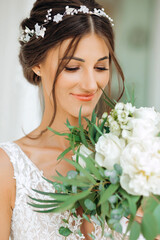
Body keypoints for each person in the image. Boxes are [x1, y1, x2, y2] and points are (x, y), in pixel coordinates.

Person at [0, 0, 129, 239]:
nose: (91, 84)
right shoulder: (8, 170)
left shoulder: (135, 158)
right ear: (37, 64)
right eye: (72, 67)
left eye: (101, 67)